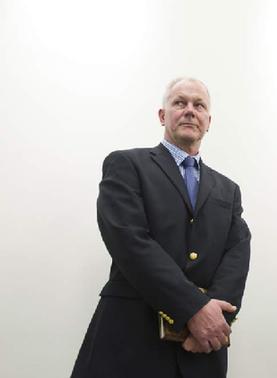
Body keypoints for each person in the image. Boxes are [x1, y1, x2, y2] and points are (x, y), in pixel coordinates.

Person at [72, 78, 251, 378]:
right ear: (162, 115)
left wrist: (216, 319)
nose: (190, 111)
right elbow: (130, 242)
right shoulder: (127, 165)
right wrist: (195, 308)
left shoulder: (228, 190)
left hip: (201, 349)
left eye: (199, 105)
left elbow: (237, 254)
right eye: (180, 103)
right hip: (129, 341)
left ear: (209, 121)